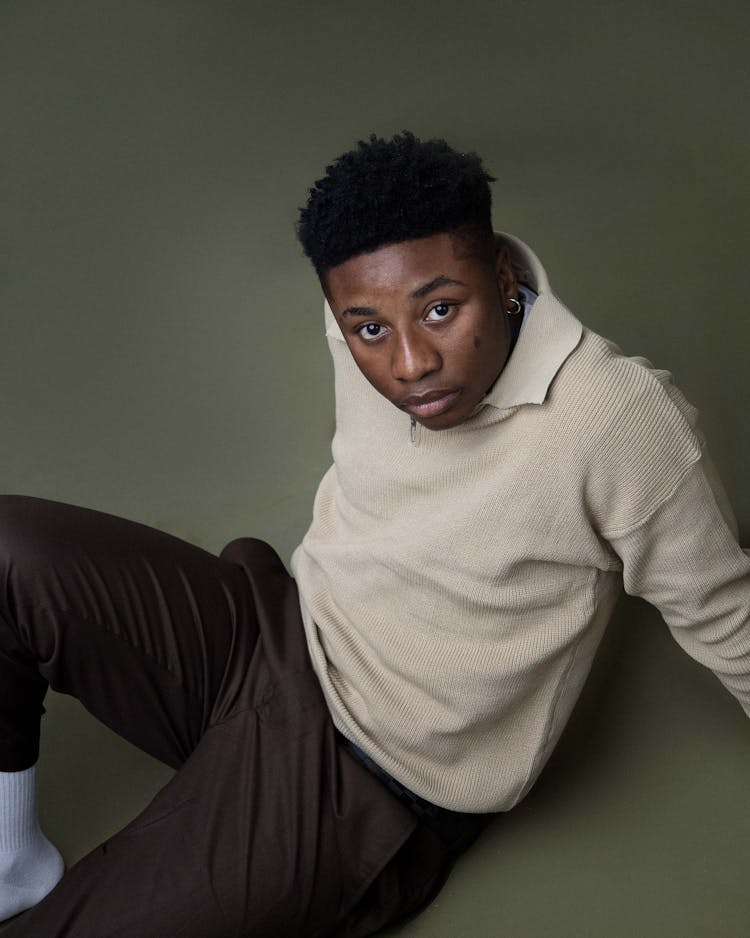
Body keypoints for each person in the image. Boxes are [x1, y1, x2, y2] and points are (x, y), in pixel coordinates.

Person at [0, 132, 748, 936]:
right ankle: (13, 865)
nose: (410, 363)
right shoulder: (367, 326)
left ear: (501, 276)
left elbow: (727, 616)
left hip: (374, 783)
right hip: (278, 637)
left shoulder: (617, 418)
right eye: (368, 329)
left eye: (440, 309)